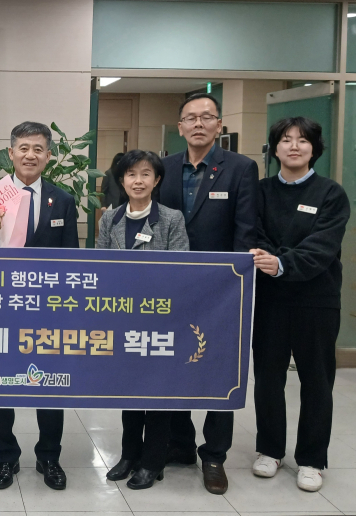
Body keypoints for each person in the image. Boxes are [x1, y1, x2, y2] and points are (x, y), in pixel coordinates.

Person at [159, 92, 258, 495]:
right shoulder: (164, 167)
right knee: (174, 361)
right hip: (170, 287)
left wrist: (234, 282)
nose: (198, 124)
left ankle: (214, 455)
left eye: (207, 117)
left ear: (219, 125)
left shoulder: (240, 168)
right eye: (191, 118)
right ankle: (180, 443)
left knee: (219, 369)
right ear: (180, 126)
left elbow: (246, 230)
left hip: (221, 290)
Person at [250, 117, 349, 492]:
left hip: (316, 300)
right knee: (268, 378)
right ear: (275, 148)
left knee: (317, 381)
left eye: (303, 140)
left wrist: (281, 263)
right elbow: (254, 233)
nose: (294, 146)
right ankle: (270, 450)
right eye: (286, 139)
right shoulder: (260, 191)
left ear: (314, 148)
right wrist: (270, 262)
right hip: (270, 300)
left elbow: (322, 246)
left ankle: (312, 458)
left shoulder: (331, 193)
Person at [0, 121, 78, 491]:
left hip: (48, 310)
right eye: (23, 148)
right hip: (1, 307)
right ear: (10, 153)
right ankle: (5, 457)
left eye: (38, 149)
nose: (30, 155)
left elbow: (71, 259)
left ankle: (49, 457)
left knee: (51, 384)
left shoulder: (64, 200)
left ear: (48, 156)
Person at [97, 149, 189, 489]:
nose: (138, 180)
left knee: (158, 391)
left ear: (157, 180)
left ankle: (152, 461)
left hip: (160, 320)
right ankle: (129, 454)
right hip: (123, 320)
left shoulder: (172, 218)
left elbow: (180, 268)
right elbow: (101, 268)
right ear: (122, 180)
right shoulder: (110, 219)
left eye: (146, 174)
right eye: (131, 174)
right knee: (130, 390)